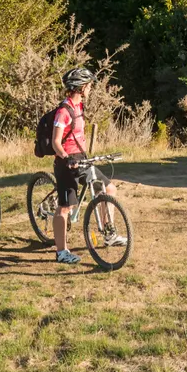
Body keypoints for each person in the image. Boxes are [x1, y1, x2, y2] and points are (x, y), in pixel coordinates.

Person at [51, 65, 127, 266]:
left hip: (82, 158)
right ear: (81, 87)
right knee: (65, 208)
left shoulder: (79, 107)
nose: (91, 88)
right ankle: (61, 252)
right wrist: (66, 157)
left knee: (108, 188)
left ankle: (109, 233)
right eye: (89, 85)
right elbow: (55, 142)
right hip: (66, 161)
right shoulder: (63, 111)